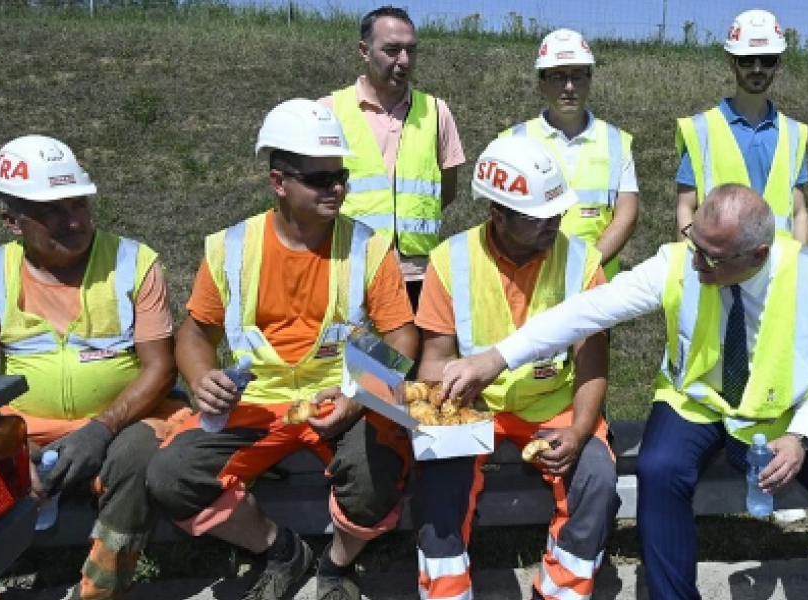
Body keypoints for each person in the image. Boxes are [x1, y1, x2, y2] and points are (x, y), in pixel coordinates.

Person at [439, 183, 808, 600]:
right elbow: (586, 311)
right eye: (694, 243)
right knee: (659, 468)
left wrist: (801, 437)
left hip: (791, 412)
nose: (695, 261)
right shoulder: (679, 262)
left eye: (711, 257)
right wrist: (497, 358)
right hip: (696, 401)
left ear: (758, 254)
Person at [146, 99, 419, 600]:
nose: (336, 188)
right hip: (256, 402)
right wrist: (203, 376)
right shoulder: (232, 247)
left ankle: (337, 566)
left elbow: (404, 338)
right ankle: (280, 552)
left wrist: (358, 400)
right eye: (319, 179)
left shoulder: (369, 247)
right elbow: (194, 332)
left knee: (376, 476)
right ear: (279, 182)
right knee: (171, 476)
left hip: (342, 398)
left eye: (341, 176)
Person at [0, 135, 187, 600]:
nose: (74, 220)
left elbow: (161, 370)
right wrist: (15, 453)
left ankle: (102, 588)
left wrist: (99, 430)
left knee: (139, 453)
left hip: (127, 421)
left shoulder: (134, 262)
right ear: (11, 221)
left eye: (78, 203)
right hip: (27, 426)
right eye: (52, 212)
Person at [410, 136, 617, 600]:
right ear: (498, 215)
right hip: (474, 405)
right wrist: (434, 417)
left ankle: (562, 591)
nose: (554, 224)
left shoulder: (582, 261)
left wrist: (580, 432)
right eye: (540, 217)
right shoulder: (451, 260)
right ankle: (447, 591)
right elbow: (435, 356)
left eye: (559, 212)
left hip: (556, 404)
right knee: (440, 480)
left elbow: (592, 357)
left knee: (597, 479)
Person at [319, 5, 466, 309]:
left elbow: (446, 191)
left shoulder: (437, 112)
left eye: (411, 50)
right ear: (364, 50)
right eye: (392, 50)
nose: (404, 61)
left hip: (418, 277)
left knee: (414, 357)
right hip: (348, 270)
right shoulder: (328, 112)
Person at [502, 28, 639, 279]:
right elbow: (502, 220)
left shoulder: (616, 142)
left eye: (577, 76)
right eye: (557, 77)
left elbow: (626, 216)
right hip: (530, 282)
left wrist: (585, 268)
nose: (569, 87)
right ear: (541, 82)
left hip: (595, 287)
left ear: (589, 79)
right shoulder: (513, 141)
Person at [675, 9, 808, 245]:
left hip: (777, 272)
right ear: (731, 62)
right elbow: (685, 208)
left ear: (778, 63)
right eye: (747, 60)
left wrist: (802, 272)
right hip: (717, 269)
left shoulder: (794, 133)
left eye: (766, 60)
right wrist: (691, 266)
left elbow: (799, 213)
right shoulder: (701, 130)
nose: (757, 69)